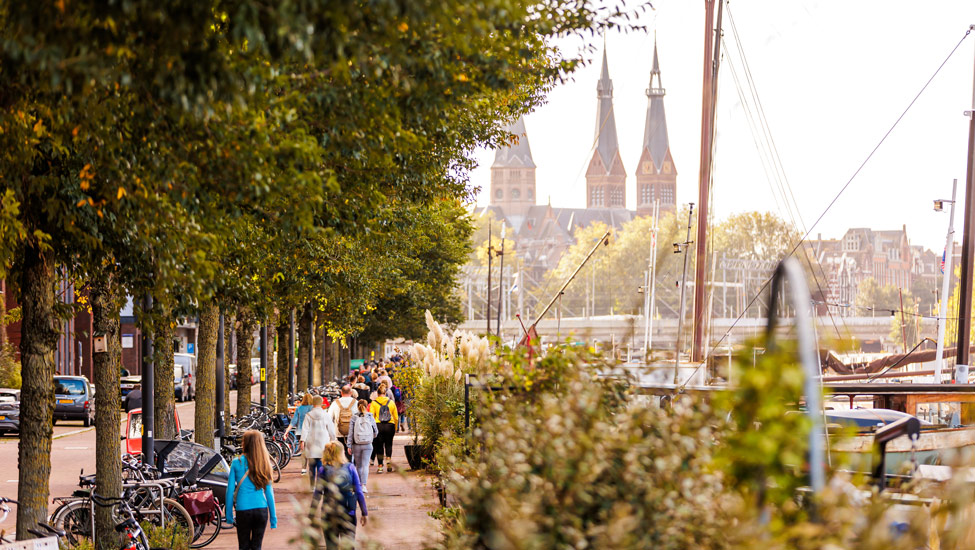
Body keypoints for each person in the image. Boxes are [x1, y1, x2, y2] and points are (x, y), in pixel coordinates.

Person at [227, 430, 277, 550]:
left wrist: (228, 514)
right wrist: (273, 518)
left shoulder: (236, 463)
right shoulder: (265, 464)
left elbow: (229, 490)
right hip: (261, 509)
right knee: (257, 546)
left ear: (246, 444)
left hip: (243, 509)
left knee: (243, 546)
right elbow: (269, 492)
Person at [313, 441, 367, 549]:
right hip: (348, 512)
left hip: (328, 514)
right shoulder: (350, 468)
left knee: (331, 546)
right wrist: (364, 512)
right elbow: (359, 492)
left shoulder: (323, 470)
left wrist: (311, 515)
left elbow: (317, 494)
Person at [301, 394, 337, 489]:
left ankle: (312, 486)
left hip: (311, 442)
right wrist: (333, 440)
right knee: (321, 465)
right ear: (321, 404)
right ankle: (321, 485)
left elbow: (305, 429)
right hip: (323, 442)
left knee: (312, 466)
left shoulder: (308, 415)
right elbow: (331, 430)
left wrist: (302, 441)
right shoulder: (325, 415)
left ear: (313, 403)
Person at [347, 399, 378, 492]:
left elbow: (351, 433)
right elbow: (376, 431)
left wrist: (349, 445)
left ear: (357, 406)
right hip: (368, 444)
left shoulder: (354, 417)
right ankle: (364, 485)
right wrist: (371, 437)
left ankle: (358, 485)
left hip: (356, 444)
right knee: (365, 465)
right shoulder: (370, 417)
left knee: (358, 466)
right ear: (367, 405)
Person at [369, 382, 398, 473]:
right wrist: (395, 427)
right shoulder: (391, 402)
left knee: (379, 446)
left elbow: (371, 417)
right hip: (390, 425)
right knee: (389, 444)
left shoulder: (374, 403)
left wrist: (372, 429)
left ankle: (380, 466)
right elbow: (396, 417)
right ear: (385, 393)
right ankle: (389, 462)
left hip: (378, 426)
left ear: (377, 394)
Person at [284, 394, 314, 474]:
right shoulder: (313, 408)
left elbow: (293, 421)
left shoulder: (299, 408)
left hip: (300, 433)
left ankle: (303, 469)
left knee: (304, 451)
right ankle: (311, 469)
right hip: (311, 432)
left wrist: (287, 431)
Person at [327, 385, 357, 458]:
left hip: (338, 432)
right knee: (350, 452)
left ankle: (341, 465)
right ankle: (349, 466)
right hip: (353, 432)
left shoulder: (335, 403)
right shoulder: (356, 402)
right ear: (351, 392)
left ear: (341, 392)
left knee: (340, 452)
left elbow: (329, 418)